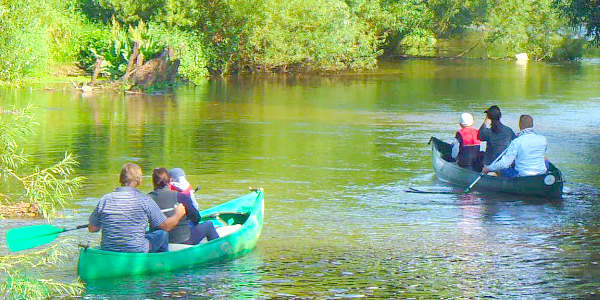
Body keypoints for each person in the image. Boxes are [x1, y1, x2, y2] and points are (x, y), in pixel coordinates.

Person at [88, 163, 186, 253]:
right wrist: (179, 214)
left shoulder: (105, 199)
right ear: (139, 180)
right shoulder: (144, 199)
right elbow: (166, 226)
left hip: (108, 250)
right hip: (136, 250)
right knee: (162, 234)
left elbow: (92, 228)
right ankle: (161, 262)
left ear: (120, 179)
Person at [150, 168, 219, 244]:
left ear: (153, 183)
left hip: (158, 241)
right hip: (183, 240)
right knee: (208, 225)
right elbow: (196, 218)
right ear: (170, 181)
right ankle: (218, 249)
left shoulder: (146, 199)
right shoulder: (181, 196)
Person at [482, 115, 547, 177]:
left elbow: (505, 164)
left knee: (501, 169)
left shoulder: (517, 141)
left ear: (520, 125)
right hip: (541, 173)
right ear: (532, 125)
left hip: (523, 175)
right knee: (546, 161)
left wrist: (488, 168)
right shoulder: (543, 139)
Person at [478, 105, 516, 170]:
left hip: (489, 165)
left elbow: (479, 136)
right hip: (503, 164)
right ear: (500, 116)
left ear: (489, 117)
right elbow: (515, 143)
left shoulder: (488, 132)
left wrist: (486, 120)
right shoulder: (508, 131)